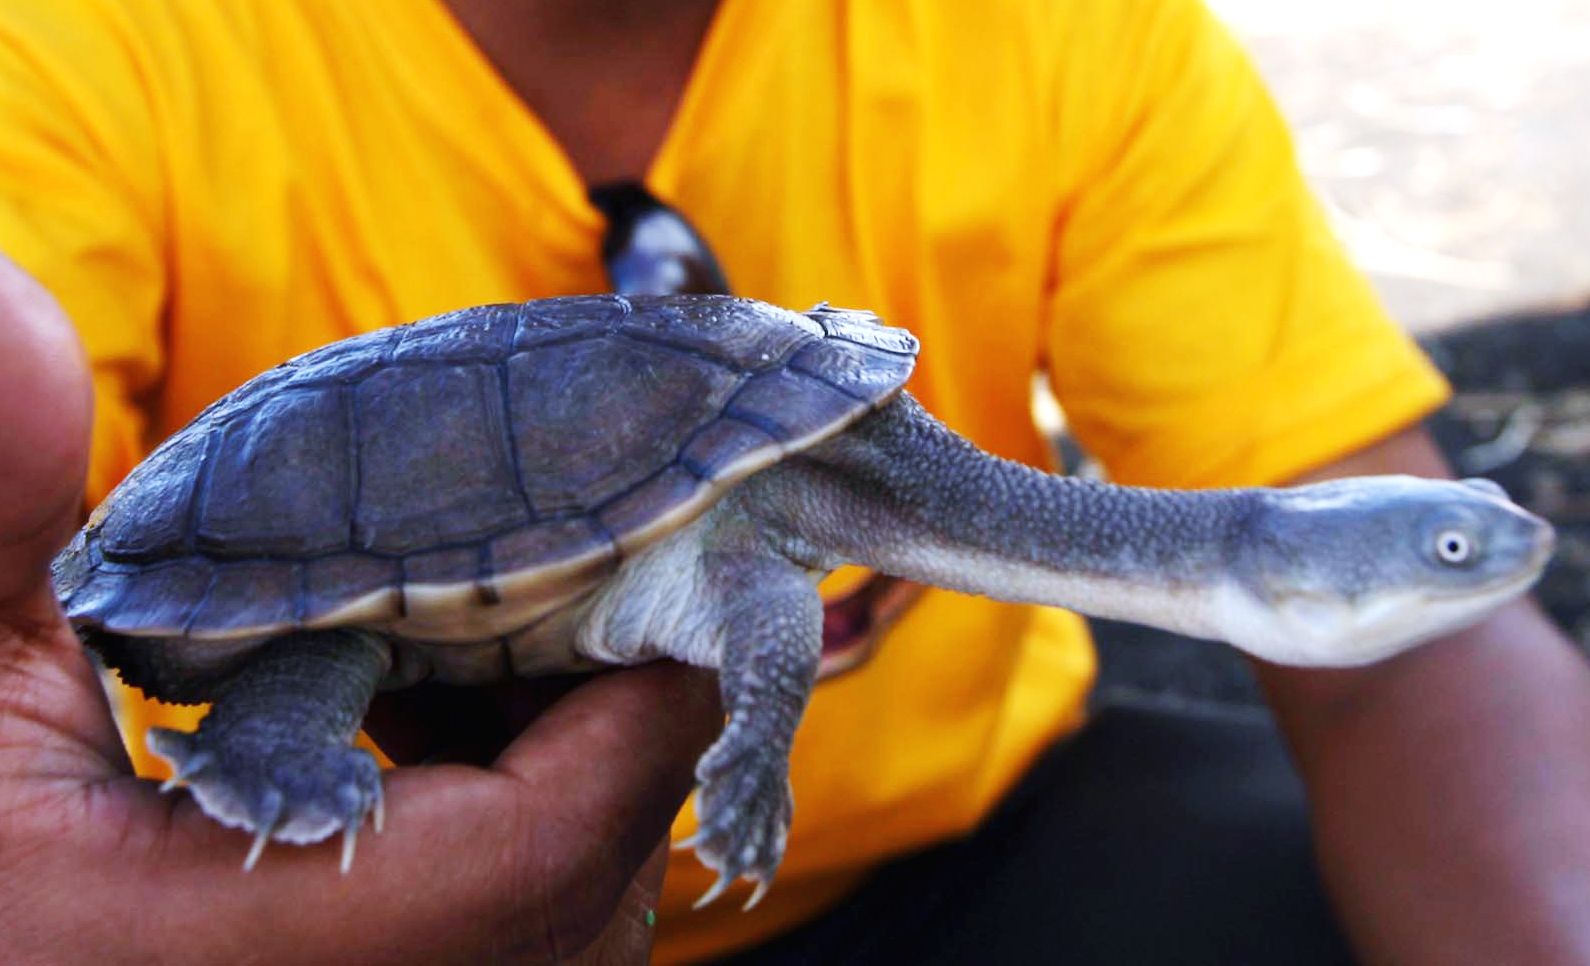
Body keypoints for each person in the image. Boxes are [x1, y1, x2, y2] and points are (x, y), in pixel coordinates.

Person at [1, 1, 1588, 963]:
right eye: (1447, 548)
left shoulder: (1058, 39)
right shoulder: (88, 58)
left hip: (969, 853)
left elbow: (1389, 616)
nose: (1477, 550)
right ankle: (277, 744)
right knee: (329, 658)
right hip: (311, 800)